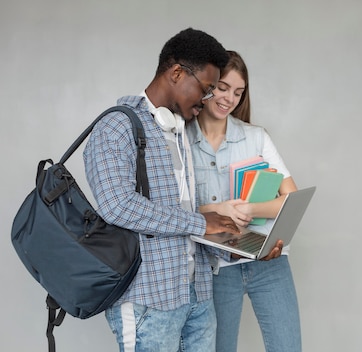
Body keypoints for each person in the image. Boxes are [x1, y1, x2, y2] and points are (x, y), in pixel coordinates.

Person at [83, 29, 282, 352]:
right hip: (149, 299)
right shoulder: (116, 126)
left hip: (197, 295)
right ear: (176, 73)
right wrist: (202, 223)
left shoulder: (177, 131)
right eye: (205, 90)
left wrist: (230, 246)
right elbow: (116, 205)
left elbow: (183, 217)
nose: (208, 101)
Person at [188, 50, 301, 352]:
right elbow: (173, 211)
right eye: (223, 88)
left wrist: (250, 209)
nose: (229, 99)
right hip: (215, 269)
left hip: (268, 261)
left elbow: (290, 198)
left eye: (238, 92)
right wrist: (217, 209)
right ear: (208, 85)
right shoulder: (181, 139)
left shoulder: (256, 137)